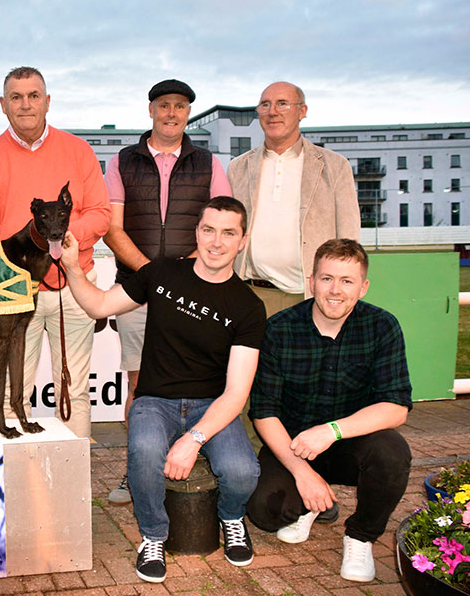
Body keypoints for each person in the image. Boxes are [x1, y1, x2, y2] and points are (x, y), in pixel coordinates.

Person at [59, 196, 265, 583]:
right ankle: (153, 535)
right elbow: (99, 305)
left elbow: (237, 393)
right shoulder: (163, 273)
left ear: (242, 241)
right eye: (208, 230)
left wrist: (194, 439)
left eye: (228, 233)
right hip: (155, 400)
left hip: (212, 404)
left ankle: (232, 517)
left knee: (242, 472)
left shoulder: (248, 306)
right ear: (197, 232)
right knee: (145, 451)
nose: (216, 242)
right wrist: (72, 266)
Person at [247, 239, 412, 583]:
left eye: (347, 281)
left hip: (351, 443)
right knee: (265, 511)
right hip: (294, 445)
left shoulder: (382, 326)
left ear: (363, 287)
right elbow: (263, 411)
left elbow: (396, 407)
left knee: (392, 453)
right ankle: (310, 504)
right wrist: (302, 473)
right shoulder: (279, 329)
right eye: (327, 278)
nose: (335, 290)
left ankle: (360, 537)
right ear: (312, 282)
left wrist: (331, 430)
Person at [102, 79, 232, 505]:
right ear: (151, 110)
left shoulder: (209, 164)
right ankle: (136, 473)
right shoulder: (122, 161)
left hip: (195, 294)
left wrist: (179, 279)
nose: (171, 113)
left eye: (179, 106)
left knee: (198, 384)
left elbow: (221, 229)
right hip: (137, 292)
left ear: (187, 113)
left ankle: (197, 465)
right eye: (164, 105)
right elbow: (111, 229)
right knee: (140, 387)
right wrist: (152, 278)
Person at [0, 66, 110, 439]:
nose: (25, 104)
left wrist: (61, 239)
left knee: (74, 392)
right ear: (3, 105)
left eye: (33, 96)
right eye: (16, 97)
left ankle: (72, 477)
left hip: (74, 287)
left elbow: (100, 214)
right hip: (14, 292)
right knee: (12, 395)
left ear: (47, 101)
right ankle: (21, 477)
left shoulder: (79, 150)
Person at [227, 81, 360, 317]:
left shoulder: (334, 166)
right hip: (251, 295)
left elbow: (349, 240)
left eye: (282, 104)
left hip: (309, 299)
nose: (272, 112)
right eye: (265, 105)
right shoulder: (238, 167)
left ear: (302, 111)